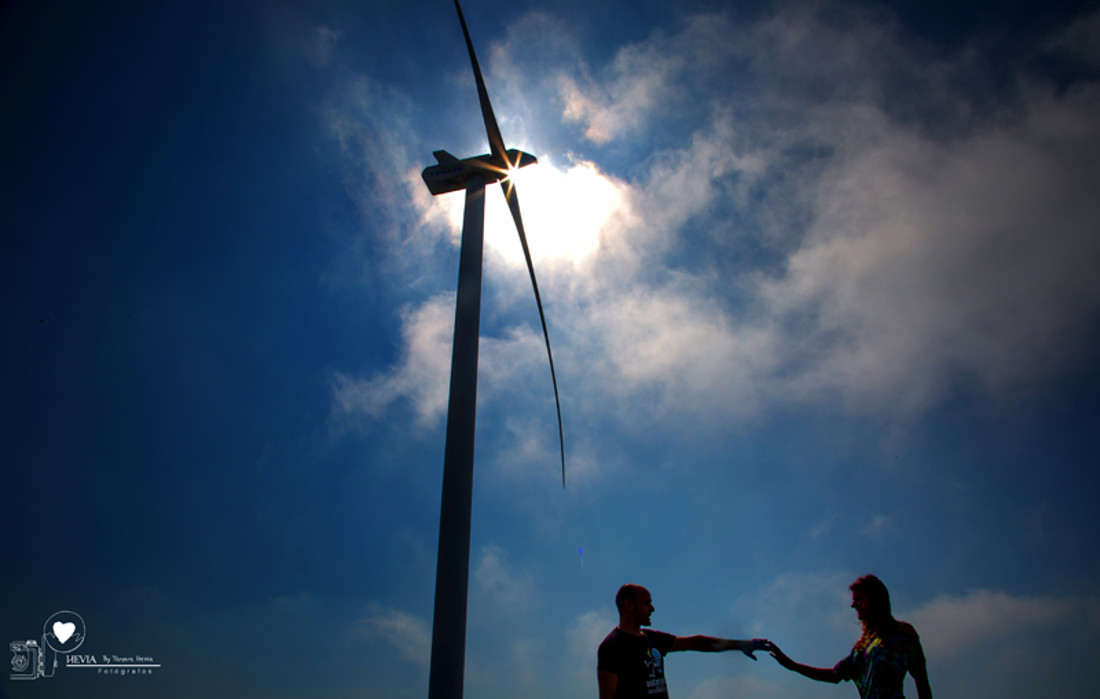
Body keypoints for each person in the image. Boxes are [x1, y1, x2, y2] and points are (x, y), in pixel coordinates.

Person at [765, 574, 932, 699]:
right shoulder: (863, 647)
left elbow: (921, 679)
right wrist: (793, 665)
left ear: (874, 599)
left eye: (858, 599)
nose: (853, 605)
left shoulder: (902, 633)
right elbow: (835, 675)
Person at [597, 583, 767, 699]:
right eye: (647, 604)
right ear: (629, 606)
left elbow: (696, 643)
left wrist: (741, 645)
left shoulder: (653, 639)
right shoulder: (611, 646)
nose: (652, 609)